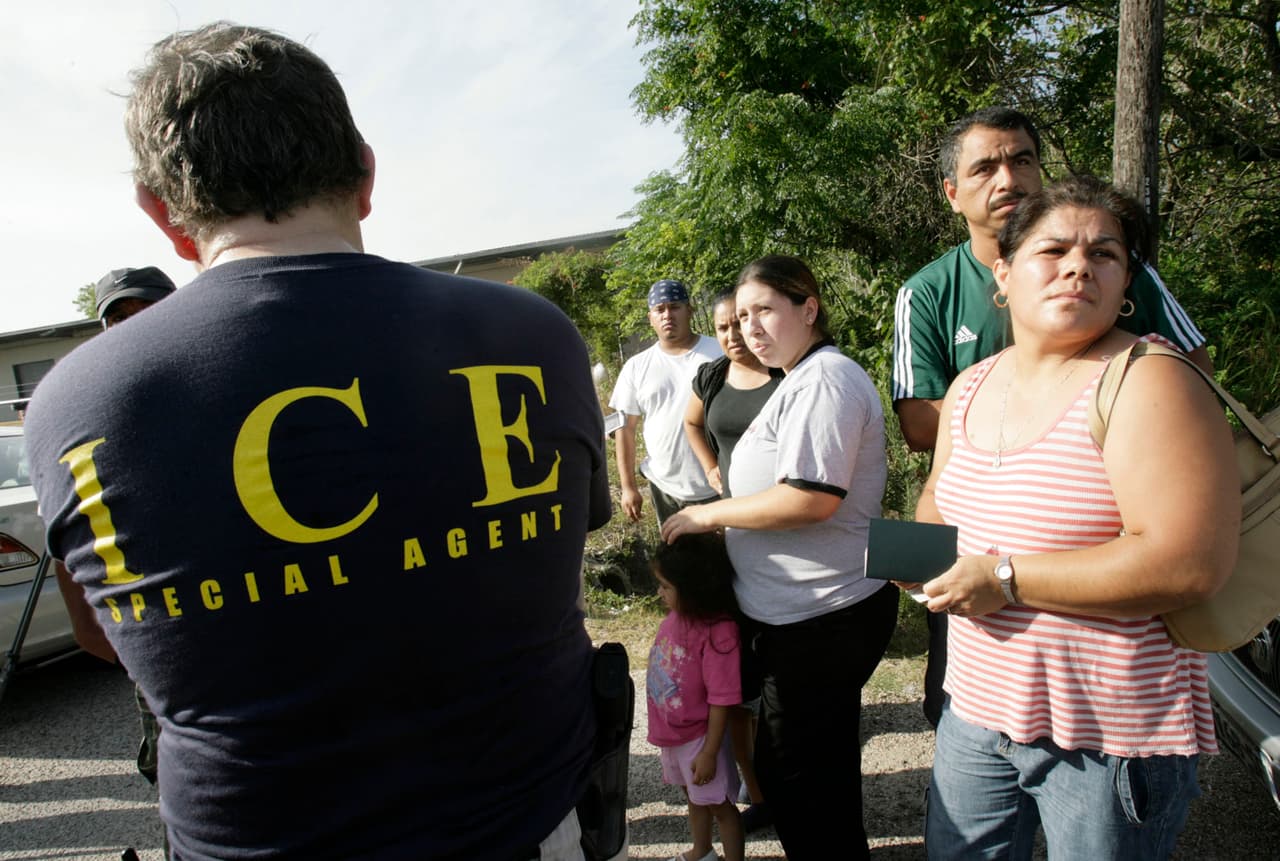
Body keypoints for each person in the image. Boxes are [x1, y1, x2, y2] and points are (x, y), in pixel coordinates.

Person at [24, 22, 610, 861]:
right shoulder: (530, 334)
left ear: (162, 215)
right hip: (528, 822)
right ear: (365, 172)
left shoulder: (72, 401)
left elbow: (104, 635)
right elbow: (562, 539)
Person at [911, 176, 1238, 859]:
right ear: (1002, 273)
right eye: (1053, 248)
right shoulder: (972, 384)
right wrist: (912, 563)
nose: (1078, 265)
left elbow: (1186, 563)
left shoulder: (1151, 377)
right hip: (974, 709)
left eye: (1105, 254)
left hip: (1106, 734)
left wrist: (1002, 577)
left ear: (1125, 284)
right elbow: (938, 498)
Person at [890, 106, 1212, 728]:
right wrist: (1012, 403)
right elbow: (918, 425)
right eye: (985, 167)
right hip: (975, 563)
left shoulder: (1115, 270)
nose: (1007, 179)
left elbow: (1194, 373)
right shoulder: (928, 293)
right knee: (955, 710)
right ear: (953, 195)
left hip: (1108, 596)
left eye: (1023, 160)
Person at [662, 255, 898, 860]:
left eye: (765, 309)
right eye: (742, 315)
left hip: (823, 617)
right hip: (799, 617)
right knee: (811, 771)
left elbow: (811, 497)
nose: (750, 327)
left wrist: (707, 514)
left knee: (799, 774)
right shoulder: (798, 376)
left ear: (809, 308)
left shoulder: (825, 379)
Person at [682, 291, 781, 830]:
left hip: (783, 538)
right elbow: (692, 425)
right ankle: (756, 792)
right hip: (732, 540)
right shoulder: (712, 377)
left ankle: (784, 782)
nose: (733, 335)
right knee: (736, 684)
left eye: (740, 323)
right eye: (722, 326)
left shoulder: (788, 374)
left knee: (777, 680)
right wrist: (713, 474)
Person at [647, 533, 745, 861]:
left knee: (721, 806)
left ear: (693, 590)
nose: (659, 592)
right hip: (675, 736)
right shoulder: (678, 617)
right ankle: (701, 851)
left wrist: (709, 752)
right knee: (693, 794)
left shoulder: (719, 633)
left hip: (700, 740)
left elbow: (722, 699)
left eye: (665, 586)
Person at [610, 279, 722, 524]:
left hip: (719, 483)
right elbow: (624, 429)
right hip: (665, 489)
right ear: (650, 317)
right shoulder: (636, 367)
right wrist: (628, 487)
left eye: (674, 307)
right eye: (659, 309)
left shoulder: (719, 353)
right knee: (675, 559)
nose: (667, 315)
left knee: (724, 559)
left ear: (689, 311)